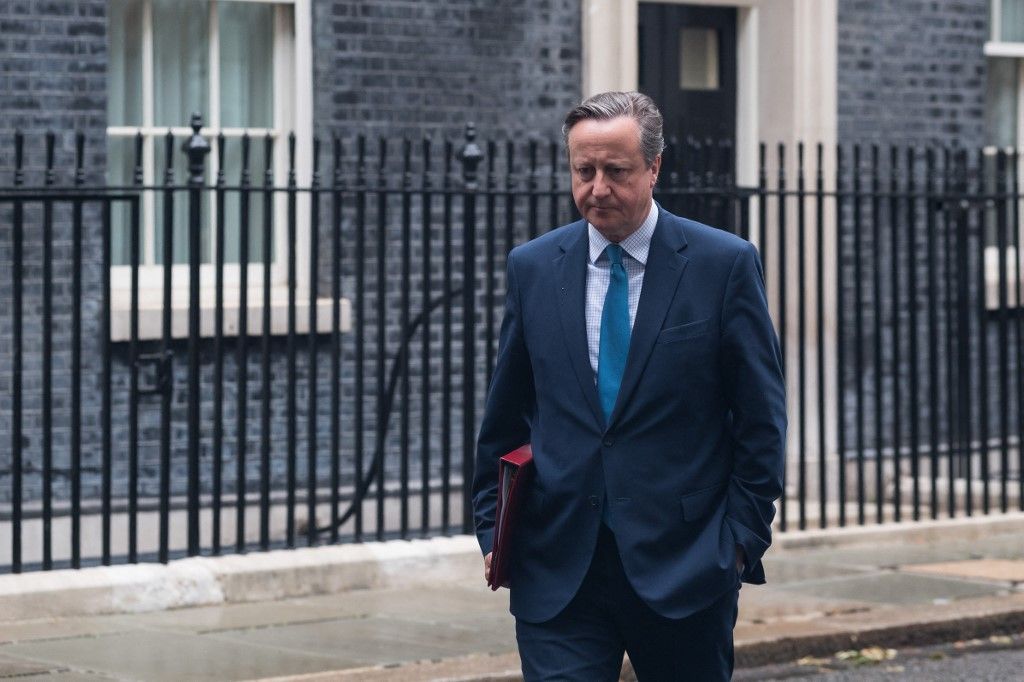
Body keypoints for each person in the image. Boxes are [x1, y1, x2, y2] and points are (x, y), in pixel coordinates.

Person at [472, 91, 785, 681]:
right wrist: (492, 527)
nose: (597, 189)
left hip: (686, 567)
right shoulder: (534, 268)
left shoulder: (724, 265)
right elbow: (505, 414)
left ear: (655, 167)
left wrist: (740, 540)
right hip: (558, 566)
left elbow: (761, 417)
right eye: (582, 171)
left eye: (616, 172)